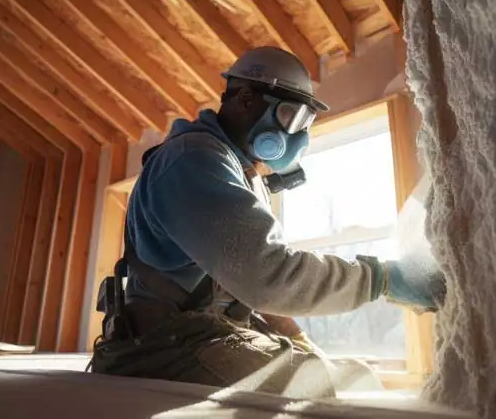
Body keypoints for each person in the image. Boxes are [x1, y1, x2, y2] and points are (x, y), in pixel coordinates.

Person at [90, 46, 446, 398]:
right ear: (245, 99)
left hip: (202, 333)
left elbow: (245, 290)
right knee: (320, 391)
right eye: (291, 117)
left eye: (306, 123)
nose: (299, 135)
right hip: (160, 347)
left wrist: (301, 344)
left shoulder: (234, 169)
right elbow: (269, 276)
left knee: (354, 379)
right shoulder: (193, 162)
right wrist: (381, 279)